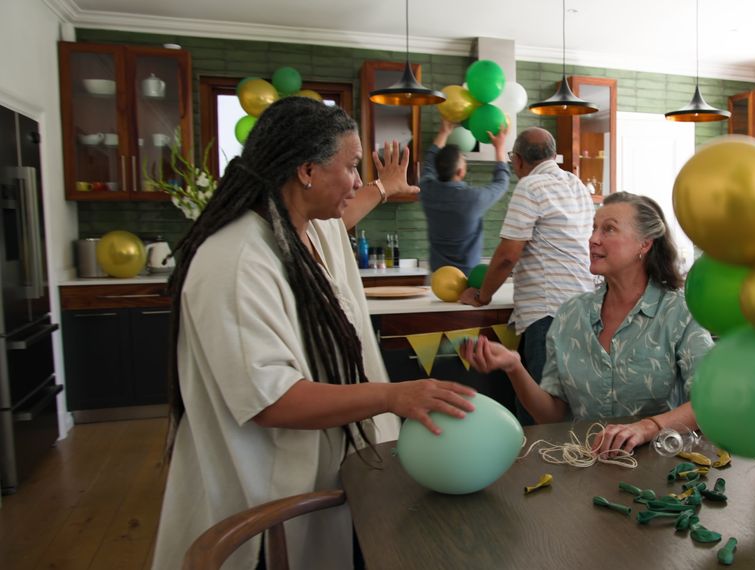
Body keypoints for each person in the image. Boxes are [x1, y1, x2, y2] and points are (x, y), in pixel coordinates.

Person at [151, 97, 476, 570]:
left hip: (317, 482)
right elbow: (272, 401)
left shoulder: (301, 225)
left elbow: (347, 210)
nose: (357, 181)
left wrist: (385, 187)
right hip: (264, 499)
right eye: (351, 166)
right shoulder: (237, 261)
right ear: (307, 170)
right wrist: (391, 396)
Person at [463, 192, 714, 455]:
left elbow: (709, 403)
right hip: (586, 469)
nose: (593, 239)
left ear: (644, 244)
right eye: (594, 228)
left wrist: (648, 427)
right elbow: (552, 417)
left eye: (609, 229)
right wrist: (514, 366)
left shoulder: (680, 312)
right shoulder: (570, 314)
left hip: (661, 472)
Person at [458, 127, 595, 425]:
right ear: (552, 155)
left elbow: (508, 255)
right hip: (584, 310)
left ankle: (537, 471)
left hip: (547, 314)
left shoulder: (530, 187)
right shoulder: (577, 185)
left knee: (539, 410)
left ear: (517, 160)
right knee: (570, 408)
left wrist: (482, 296)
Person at [418, 118, 511, 273]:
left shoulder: (427, 190)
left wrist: (443, 133)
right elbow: (502, 183)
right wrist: (500, 147)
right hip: (466, 279)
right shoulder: (473, 199)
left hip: (437, 277)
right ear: (461, 172)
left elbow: (429, 163)